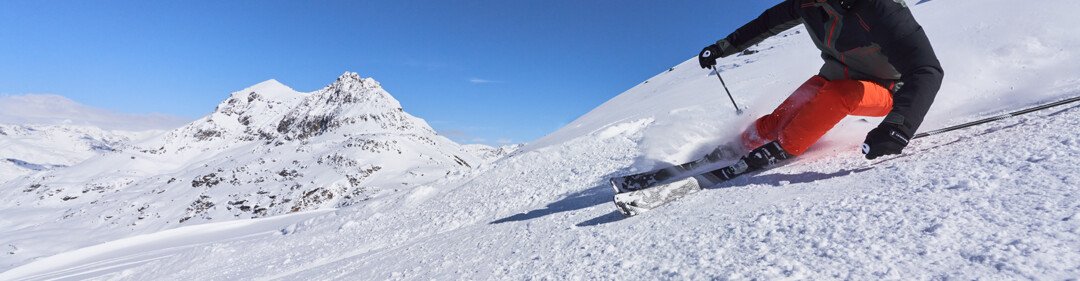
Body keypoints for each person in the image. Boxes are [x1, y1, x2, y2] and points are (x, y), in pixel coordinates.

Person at [697, 0, 943, 172]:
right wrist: (723, 46)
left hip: (888, 90)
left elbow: (926, 70)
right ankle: (743, 144)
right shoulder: (805, 3)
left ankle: (784, 148)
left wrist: (898, 126)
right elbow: (767, 23)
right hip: (838, 75)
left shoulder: (880, 7)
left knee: (838, 96)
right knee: (784, 116)